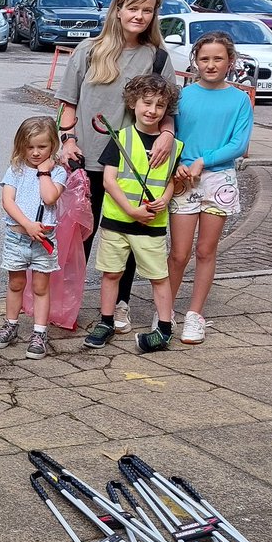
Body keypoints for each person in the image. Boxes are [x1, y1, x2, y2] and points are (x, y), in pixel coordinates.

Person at [56, 0, 176, 334]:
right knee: (80, 237)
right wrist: (66, 140)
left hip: (133, 165)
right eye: (133, 8)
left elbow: (169, 107)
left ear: (154, 15)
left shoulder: (157, 57)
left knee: (127, 237)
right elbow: (68, 102)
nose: (139, 15)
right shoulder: (89, 50)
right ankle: (67, 302)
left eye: (147, 10)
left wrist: (167, 134)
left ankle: (119, 305)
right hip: (88, 159)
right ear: (118, 10)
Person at [82, 75, 182, 354]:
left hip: (152, 225)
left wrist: (164, 198)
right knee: (111, 274)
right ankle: (105, 322)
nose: (152, 110)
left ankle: (164, 329)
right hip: (117, 222)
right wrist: (130, 210)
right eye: (146, 103)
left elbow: (172, 178)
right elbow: (109, 181)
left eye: (160, 106)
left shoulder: (172, 145)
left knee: (158, 277)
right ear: (133, 104)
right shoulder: (121, 138)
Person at [167, 32, 253, 344]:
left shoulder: (240, 99)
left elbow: (239, 144)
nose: (211, 64)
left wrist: (206, 160)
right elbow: (169, 133)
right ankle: (165, 312)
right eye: (205, 58)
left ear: (230, 62)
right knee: (178, 253)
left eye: (218, 58)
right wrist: (177, 161)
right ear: (195, 61)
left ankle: (195, 314)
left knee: (205, 250)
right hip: (183, 178)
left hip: (219, 181)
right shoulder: (182, 97)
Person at [0, 116, 67, 360]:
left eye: (41, 147)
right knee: (16, 283)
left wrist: (44, 173)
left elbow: (50, 198)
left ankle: (40, 332)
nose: (35, 152)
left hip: (44, 240)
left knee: (41, 287)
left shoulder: (58, 172)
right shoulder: (16, 169)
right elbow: (7, 201)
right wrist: (27, 224)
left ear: (52, 146)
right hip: (17, 238)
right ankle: (10, 324)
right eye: (29, 147)